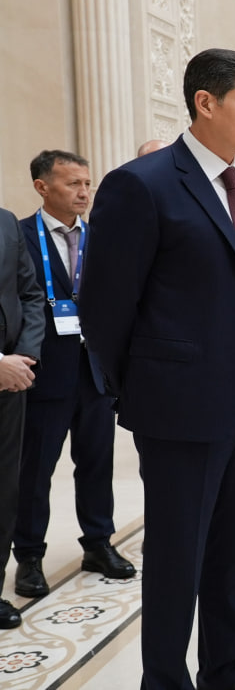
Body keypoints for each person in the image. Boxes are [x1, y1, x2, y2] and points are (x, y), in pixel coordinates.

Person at [79, 47, 235, 690]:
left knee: (233, 552)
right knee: (177, 558)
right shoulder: (142, 184)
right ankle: (165, 680)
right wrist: (147, 388)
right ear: (206, 102)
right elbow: (105, 307)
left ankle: (226, 670)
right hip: (178, 407)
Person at [13, 151, 135, 602]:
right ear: (42, 187)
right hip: (44, 373)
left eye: (87, 183)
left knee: (97, 464)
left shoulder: (101, 237)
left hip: (95, 372)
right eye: (73, 184)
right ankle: (29, 556)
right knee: (35, 472)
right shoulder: (19, 236)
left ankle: (98, 544)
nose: (84, 192)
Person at [0, 204, 45, 631]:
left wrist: (24, 356)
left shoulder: (6, 222)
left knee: (4, 489)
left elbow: (30, 294)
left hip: (11, 383)